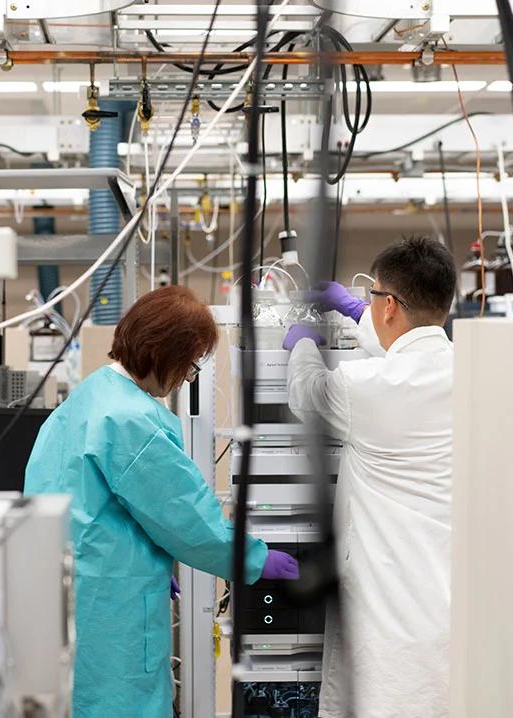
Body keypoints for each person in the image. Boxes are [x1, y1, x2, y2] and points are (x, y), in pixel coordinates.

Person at [25, 285, 300, 718]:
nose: (190, 378)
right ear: (161, 351)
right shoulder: (133, 420)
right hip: (112, 614)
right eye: (189, 364)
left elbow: (88, 509)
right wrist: (257, 558)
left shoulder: (84, 400)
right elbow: (191, 523)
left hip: (66, 598)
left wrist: (145, 558)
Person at [282, 236, 456, 718]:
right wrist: (361, 310)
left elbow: (306, 393)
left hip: (388, 605)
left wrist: (302, 344)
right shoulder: (475, 373)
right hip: (451, 597)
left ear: (391, 307)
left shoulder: (365, 388)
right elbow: (408, 352)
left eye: (375, 295)